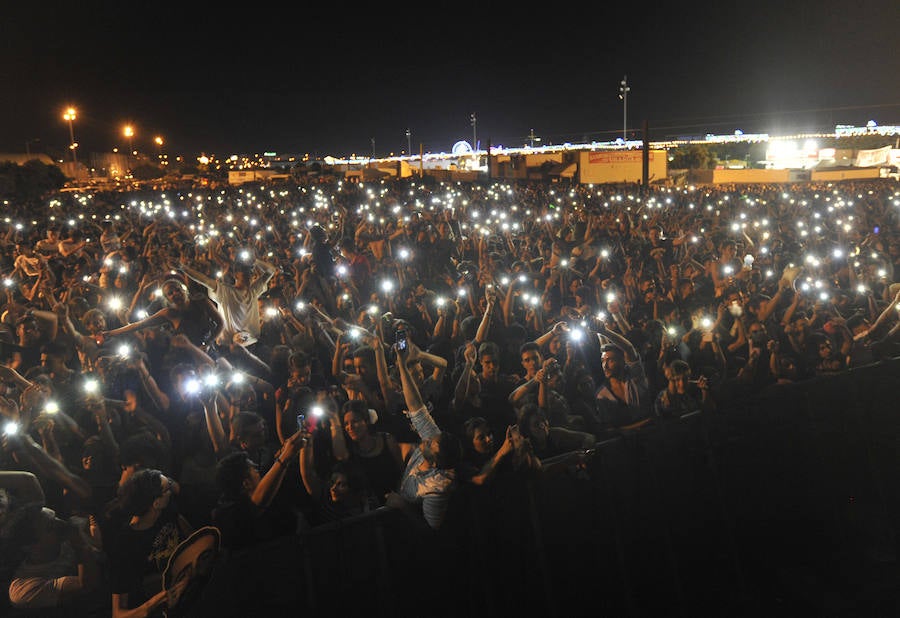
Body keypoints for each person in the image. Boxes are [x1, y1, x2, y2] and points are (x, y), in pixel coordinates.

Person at [384, 339, 462, 531]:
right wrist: (401, 364)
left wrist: (402, 506)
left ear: (435, 463)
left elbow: (430, 530)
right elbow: (416, 407)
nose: (425, 441)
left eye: (429, 445)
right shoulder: (435, 438)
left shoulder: (437, 489)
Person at [107, 468, 193, 618]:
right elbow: (118, 614)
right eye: (167, 489)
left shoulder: (167, 510)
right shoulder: (125, 544)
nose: (171, 491)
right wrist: (155, 603)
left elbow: (192, 539)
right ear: (156, 503)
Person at [211, 429, 305, 552]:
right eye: (254, 469)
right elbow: (254, 506)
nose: (258, 472)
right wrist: (286, 457)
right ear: (246, 483)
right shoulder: (227, 514)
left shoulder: (271, 497)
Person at [176, 252, 278, 351]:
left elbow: (271, 271)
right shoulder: (225, 291)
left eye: (250, 272)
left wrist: (255, 261)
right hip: (228, 346)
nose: (249, 275)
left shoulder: (254, 291)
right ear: (235, 275)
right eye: (244, 272)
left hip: (251, 345)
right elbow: (204, 280)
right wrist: (183, 268)